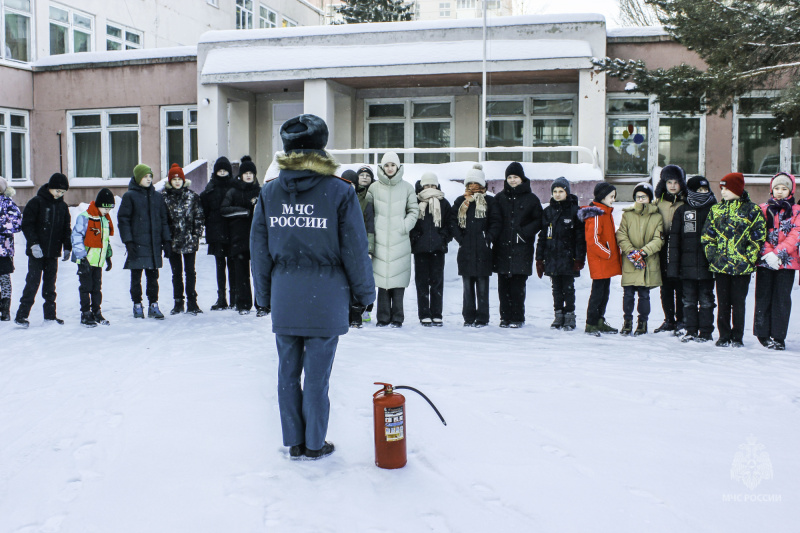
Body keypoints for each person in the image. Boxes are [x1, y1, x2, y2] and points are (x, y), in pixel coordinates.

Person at [250, 114, 374, 460]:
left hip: (286, 295)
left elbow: (259, 250)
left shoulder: (270, 192)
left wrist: (263, 297)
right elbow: (354, 248)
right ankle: (316, 443)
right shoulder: (339, 191)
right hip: (327, 296)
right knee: (318, 378)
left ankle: (294, 440)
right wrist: (364, 296)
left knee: (287, 373)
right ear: (321, 147)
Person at [701, 172, 766, 347]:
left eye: (726, 188)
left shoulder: (752, 210)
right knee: (723, 303)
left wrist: (748, 258)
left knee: (738, 303)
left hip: (741, 267)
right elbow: (708, 236)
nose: (722, 192)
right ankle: (723, 335)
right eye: (721, 188)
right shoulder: (716, 210)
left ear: (737, 189)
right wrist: (713, 257)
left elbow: (758, 237)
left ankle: (737, 336)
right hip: (721, 266)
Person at [366, 152, 418, 327]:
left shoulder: (407, 187)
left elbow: (414, 211)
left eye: (392, 165)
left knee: (397, 283)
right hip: (380, 239)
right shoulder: (373, 188)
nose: (389, 168)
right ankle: (382, 317)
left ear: (398, 167)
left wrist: (404, 226)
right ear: (382, 167)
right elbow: (368, 211)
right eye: (386, 165)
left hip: (399, 239)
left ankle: (397, 317)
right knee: (382, 281)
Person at [15, 173, 72, 328]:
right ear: (50, 188)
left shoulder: (63, 207)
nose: (59, 194)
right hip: (37, 252)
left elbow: (66, 229)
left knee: (50, 285)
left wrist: (67, 246)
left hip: (52, 252)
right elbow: (27, 224)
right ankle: (21, 316)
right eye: (57, 191)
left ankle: (50, 316)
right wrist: (33, 244)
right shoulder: (36, 202)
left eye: (62, 192)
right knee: (32, 283)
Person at [490, 162, 543, 328]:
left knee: (517, 287)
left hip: (521, 248)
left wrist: (524, 232)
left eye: (515, 177)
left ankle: (517, 318)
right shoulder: (499, 198)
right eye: (510, 177)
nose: (512, 180)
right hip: (502, 248)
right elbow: (494, 220)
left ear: (522, 178)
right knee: (503, 286)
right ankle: (504, 317)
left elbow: (539, 220)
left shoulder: (531, 199)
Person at [667, 176, 717, 343]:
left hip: (707, 266)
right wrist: (673, 267)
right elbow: (674, 242)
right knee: (688, 301)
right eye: (698, 190)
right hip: (686, 268)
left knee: (706, 301)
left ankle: (706, 332)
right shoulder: (682, 211)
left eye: (705, 190)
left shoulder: (715, 210)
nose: (702, 193)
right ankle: (690, 330)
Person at [118, 164, 171, 319]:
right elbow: (123, 220)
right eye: (144, 176)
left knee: (153, 278)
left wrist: (166, 240)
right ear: (137, 178)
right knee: (136, 278)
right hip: (137, 244)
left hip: (154, 245)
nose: (148, 179)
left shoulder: (157, 197)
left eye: (150, 176)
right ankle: (137, 304)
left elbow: (164, 220)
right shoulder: (130, 196)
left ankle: (153, 305)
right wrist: (128, 241)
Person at [753, 172, 799, 351]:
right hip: (765, 261)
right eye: (776, 188)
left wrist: (778, 254)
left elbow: (796, 234)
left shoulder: (796, 211)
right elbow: (757, 232)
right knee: (763, 296)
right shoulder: (763, 208)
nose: (779, 192)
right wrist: (768, 253)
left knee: (781, 299)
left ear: (791, 190)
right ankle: (762, 334)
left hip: (787, 262)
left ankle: (779, 336)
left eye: (784, 188)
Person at [449, 164, 498, 327]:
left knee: (483, 287)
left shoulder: (490, 202)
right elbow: (452, 222)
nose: (473, 187)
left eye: (476, 184)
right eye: (470, 184)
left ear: (483, 185)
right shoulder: (460, 201)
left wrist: (488, 238)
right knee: (467, 287)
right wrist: (461, 239)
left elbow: (495, 222)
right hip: (466, 251)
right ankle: (468, 317)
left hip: (483, 251)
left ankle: (482, 318)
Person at [535, 177, 586, 331]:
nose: (557, 194)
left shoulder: (575, 211)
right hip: (552, 257)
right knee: (556, 288)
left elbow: (580, 238)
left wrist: (579, 258)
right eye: (555, 191)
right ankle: (558, 315)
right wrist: (539, 259)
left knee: (568, 288)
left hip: (568, 258)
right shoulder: (548, 211)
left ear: (567, 193)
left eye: (561, 191)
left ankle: (570, 315)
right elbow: (542, 236)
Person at [616, 182, 664, 336]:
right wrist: (631, 252)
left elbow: (659, 239)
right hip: (630, 261)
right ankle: (627, 321)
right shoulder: (627, 215)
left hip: (647, 261)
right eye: (638, 197)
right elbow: (621, 234)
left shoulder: (657, 217)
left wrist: (643, 252)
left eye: (644, 196)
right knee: (628, 294)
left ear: (649, 198)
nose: (641, 199)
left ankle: (642, 322)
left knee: (644, 295)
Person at [578, 182, 622, 336]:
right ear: (603, 196)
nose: (613, 200)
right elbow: (593, 240)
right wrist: (607, 253)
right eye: (611, 196)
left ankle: (599, 320)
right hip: (600, 260)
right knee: (598, 292)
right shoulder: (596, 213)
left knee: (604, 291)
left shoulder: (606, 212)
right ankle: (591, 323)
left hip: (605, 260)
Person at [221, 155, 262, 315]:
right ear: (241, 175)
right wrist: (243, 212)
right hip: (239, 238)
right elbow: (224, 209)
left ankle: (261, 304)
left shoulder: (260, 191)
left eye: (251, 173)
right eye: (246, 173)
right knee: (241, 274)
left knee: (259, 273)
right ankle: (243, 305)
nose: (249, 175)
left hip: (257, 239)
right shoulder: (233, 191)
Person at [162, 163, 205, 315]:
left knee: (190, 272)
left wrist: (196, 235)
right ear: (170, 181)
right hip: (173, 242)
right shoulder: (164, 198)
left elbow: (199, 217)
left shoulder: (192, 197)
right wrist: (166, 239)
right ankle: (178, 302)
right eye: (174, 179)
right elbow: (163, 221)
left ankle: (192, 302)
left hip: (189, 241)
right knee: (176, 273)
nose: (177, 182)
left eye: (179, 179)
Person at [410, 172, 451, 326]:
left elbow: (449, 223)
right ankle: (424, 314)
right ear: (422, 186)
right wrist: (416, 237)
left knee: (437, 282)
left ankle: (436, 313)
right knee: (421, 283)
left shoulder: (444, 203)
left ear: (437, 185)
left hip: (437, 249)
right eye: (426, 185)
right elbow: (411, 222)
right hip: (420, 249)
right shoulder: (415, 201)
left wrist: (443, 237)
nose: (430, 188)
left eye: (432, 185)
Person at [71, 188, 115, 327]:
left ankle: (96, 311)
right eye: (105, 208)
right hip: (86, 260)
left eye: (110, 208)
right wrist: (82, 257)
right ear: (98, 204)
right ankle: (85, 313)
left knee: (97, 288)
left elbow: (105, 240)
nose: (107, 211)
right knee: (86, 287)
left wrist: (108, 256)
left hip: (98, 261)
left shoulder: (105, 220)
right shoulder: (85, 217)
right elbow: (76, 237)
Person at [653, 165, 687, 334]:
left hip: (680, 247)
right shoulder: (658, 202)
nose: (672, 186)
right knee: (665, 286)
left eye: (676, 182)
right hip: (662, 246)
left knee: (680, 285)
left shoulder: (685, 201)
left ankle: (682, 319)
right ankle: (669, 319)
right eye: (669, 182)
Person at [201, 156, 236, 310]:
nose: (222, 173)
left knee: (233, 266)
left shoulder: (234, 188)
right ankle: (221, 297)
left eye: (225, 171)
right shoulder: (210, 189)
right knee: (220, 267)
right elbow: (204, 211)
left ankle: (234, 297)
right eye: (220, 171)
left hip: (233, 232)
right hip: (217, 234)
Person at [348, 166, 375, 327]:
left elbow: (369, 226)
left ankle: (361, 310)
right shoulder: (335, 199)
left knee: (361, 280)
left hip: (360, 245)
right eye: (361, 175)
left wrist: (369, 248)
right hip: (344, 248)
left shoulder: (365, 201)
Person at [0, 176, 22, 322]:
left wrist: (2, 225)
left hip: (4, 249)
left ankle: (5, 309)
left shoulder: (8, 203)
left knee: (4, 278)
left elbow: (17, 223)